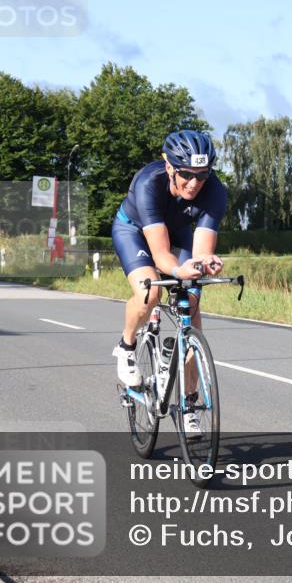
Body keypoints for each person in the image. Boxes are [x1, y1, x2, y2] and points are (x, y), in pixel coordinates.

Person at [111, 130, 227, 436]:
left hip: (177, 233)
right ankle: (126, 345)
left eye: (202, 176)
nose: (194, 183)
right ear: (170, 168)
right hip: (134, 230)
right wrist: (178, 271)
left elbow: (200, 249)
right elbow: (161, 255)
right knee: (149, 291)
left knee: (192, 304)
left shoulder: (215, 191)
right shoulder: (149, 183)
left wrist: (204, 262)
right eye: (186, 174)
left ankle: (189, 402)